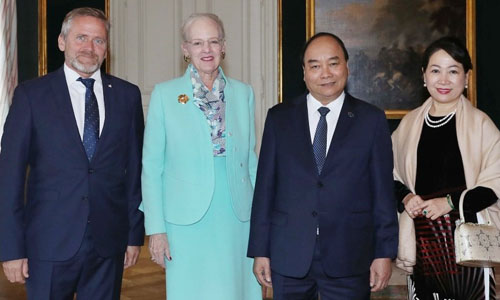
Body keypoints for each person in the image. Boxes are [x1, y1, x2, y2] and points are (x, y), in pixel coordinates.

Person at [0, 7, 144, 300]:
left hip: (108, 245)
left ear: (106, 47)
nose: (90, 48)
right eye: (81, 37)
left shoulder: (127, 96)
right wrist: (11, 249)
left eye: (99, 40)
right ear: (62, 42)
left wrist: (133, 235)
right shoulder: (31, 96)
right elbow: (9, 177)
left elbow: (135, 173)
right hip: (48, 245)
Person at [247, 32, 399, 300]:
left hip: (350, 256)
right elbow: (265, 190)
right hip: (289, 254)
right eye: (315, 66)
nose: (325, 73)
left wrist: (384, 253)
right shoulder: (279, 118)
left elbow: (383, 193)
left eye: (333, 63)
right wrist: (261, 249)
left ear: (347, 67)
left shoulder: (371, 120)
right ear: (304, 72)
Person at [140, 13, 261, 300]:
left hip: (238, 216)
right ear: (185, 49)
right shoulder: (165, 95)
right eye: (197, 43)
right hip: (185, 222)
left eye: (213, 41)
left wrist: (262, 223)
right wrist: (156, 230)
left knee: (238, 291)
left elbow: (251, 160)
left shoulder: (243, 93)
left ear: (223, 46)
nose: (206, 50)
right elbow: (151, 166)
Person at [393, 36, 500, 300]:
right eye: (435, 70)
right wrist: (406, 198)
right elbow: (387, 175)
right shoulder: (408, 125)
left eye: (453, 71)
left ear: (466, 78)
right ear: (424, 75)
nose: (444, 80)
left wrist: (450, 203)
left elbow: (496, 180)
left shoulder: (481, 125)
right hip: (423, 242)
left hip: (468, 242)